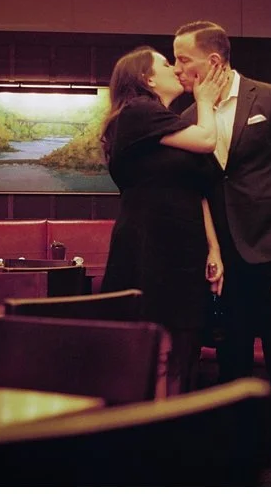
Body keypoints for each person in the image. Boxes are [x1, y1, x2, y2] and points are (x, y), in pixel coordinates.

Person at [172, 21, 271, 391]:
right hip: (225, 260)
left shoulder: (270, 98)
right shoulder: (189, 120)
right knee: (231, 363)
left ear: (213, 61)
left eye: (183, 60)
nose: (176, 69)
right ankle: (235, 429)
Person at [100, 46, 228, 395]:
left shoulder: (169, 124)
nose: (176, 69)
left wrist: (213, 248)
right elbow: (207, 139)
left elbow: (199, 190)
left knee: (183, 348)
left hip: (183, 246)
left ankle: (172, 417)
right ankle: (149, 421)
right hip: (149, 244)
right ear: (147, 78)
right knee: (154, 346)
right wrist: (205, 100)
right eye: (167, 64)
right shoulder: (137, 112)